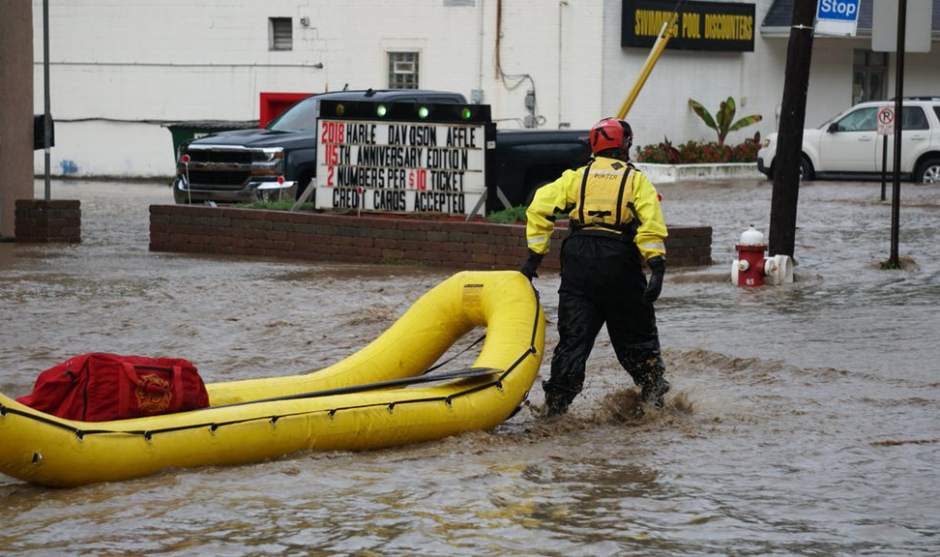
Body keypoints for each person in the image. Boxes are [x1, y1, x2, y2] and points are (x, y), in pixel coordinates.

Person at [520, 117, 669, 417]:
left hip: (579, 265)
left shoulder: (576, 178)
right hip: (619, 263)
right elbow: (650, 226)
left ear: (594, 146)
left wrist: (534, 259)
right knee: (637, 340)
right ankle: (653, 400)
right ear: (625, 145)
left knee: (573, 342)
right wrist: (657, 267)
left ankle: (555, 411)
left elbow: (538, 208)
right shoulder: (636, 180)